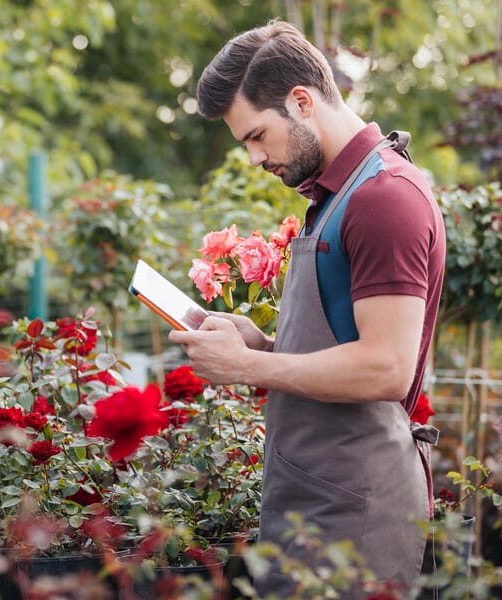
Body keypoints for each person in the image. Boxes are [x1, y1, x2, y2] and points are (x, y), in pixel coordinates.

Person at [169, 19, 446, 597]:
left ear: (301, 102)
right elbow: (343, 344)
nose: (252, 158)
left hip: (356, 514)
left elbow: (386, 367)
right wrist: (262, 344)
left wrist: (250, 369)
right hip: (318, 498)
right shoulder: (337, 195)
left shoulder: (384, 198)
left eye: (256, 136)